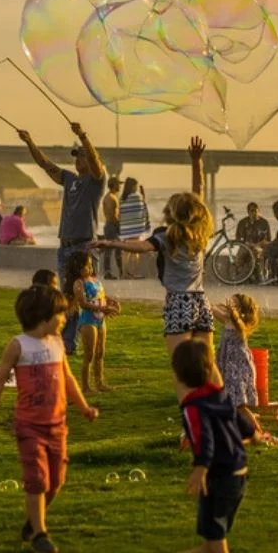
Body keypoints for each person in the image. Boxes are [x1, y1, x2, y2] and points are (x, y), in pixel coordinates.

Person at [93, 137, 223, 401]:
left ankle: (191, 426)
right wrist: (196, 163)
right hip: (201, 302)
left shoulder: (166, 237)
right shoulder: (200, 233)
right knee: (207, 366)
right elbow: (198, 196)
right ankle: (224, 411)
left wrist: (109, 242)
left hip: (179, 303)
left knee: (182, 368)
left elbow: (141, 246)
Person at [0, 285, 99, 553]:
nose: (65, 318)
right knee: (37, 478)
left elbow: (67, 378)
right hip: (29, 426)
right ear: (44, 317)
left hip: (57, 425)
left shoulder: (57, 343)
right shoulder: (18, 346)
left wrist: (84, 407)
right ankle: (40, 535)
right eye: (61, 314)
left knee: (56, 480)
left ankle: (33, 522)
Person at [18, 122, 107, 356]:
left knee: (85, 295)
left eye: (83, 156)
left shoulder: (97, 181)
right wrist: (30, 142)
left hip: (84, 245)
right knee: (67, 297)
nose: (79, 160)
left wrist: (83, 136)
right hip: (65, 246)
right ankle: (67, 343)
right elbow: (46, 165)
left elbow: (97, 166)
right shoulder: (70, 179)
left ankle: (83, 341)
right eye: (77, 156)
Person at [173, 339, 254, 553]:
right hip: (238, 472)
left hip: (219, 475)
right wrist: (253, 434)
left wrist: (201, 467)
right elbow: (239, 421)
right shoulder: (220, 395)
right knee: (211, 535)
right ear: (210, 370)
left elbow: (205, 438)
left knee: (216, 535)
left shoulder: (192, 406)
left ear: (178, 375)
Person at [211, 294, 261, 437]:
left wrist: (232, 312)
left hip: (237, 367)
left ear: (239, 309)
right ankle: (245, 423)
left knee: (239, 405)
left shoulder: (238, 324)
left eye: (233, 303)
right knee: (232, 401)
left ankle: (257, 430)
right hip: (230, 365)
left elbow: (234, 318)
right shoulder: (228, 320)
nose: (228, 304)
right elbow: (213, 310)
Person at [65, 251, 111, 394]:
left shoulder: (95, 280)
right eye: (86, 266)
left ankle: (99, 382)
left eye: (91, 265)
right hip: (88, 321)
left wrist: (111, 303)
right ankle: (85, 387)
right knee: (89, 354)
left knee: (100, 353)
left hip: (100, 319)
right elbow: (83, 304)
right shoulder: (78, 283)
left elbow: (102, 296)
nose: (90, 269)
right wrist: (101, 308)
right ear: (78, 268)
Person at [117, 177, 151, 279]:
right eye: (136, 185)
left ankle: (124, 273)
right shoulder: (137, 196)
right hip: (135, 229)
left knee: (125, 252)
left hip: (125, 229)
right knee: (136, 252)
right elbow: (142, 210)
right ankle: (135, 273)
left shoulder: (122, 198)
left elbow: (122, 214)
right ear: (133, 186)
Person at [236, 202, 271, 282]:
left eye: (256, 211)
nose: (254, 213)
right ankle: (241, 276)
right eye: (251, 211)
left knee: (257, 253)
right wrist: (246, 243)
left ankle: (258, 276)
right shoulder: (242, 223)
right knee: (240, 256)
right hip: (246, 246)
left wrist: (258, 245)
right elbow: (238, 238)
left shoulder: (264, 223)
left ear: (259, 211)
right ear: (248, 212)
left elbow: (268, 239)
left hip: (259, 246)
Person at [101, 177, 123, 280]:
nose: (120, 186)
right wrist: (118, 225)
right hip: (111, 226)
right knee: (109, 250)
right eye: (118, 184)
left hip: (112, 225)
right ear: (113, 185)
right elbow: (111, 215)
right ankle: (108, 272)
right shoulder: (110, 197)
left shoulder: (113, 196)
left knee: (117, 249)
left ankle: (121, 271)